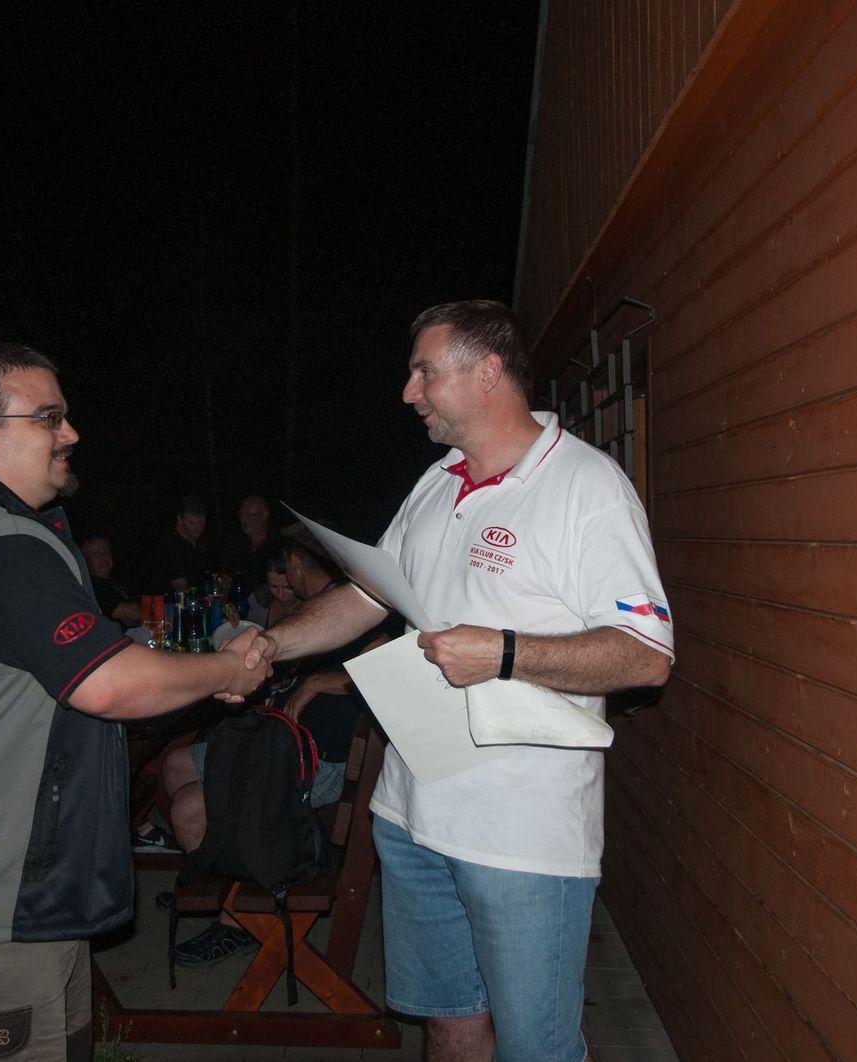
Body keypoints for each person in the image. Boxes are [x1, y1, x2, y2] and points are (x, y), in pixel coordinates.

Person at [247, 300, 673, 1062]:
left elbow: (646, 655)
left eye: (424, 372)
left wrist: (503, 652)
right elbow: (367, 596)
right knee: (448, 1029)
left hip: (522, 838)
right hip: (411, 816)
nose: (409, 392)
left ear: (487, 373)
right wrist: (269, 646)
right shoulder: (438, 482)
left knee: (536, 1049)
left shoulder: (587, 486)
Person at [0, 343, 269, 1060]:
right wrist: (226, 669)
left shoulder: (17, 533)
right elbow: (108, 682)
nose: (71, 433)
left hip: (25, 893)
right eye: (48, 417)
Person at [159, 536, 393, 965]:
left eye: (286, 574)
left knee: (189, 806)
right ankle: (219, 878)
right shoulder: (309, 609)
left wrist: (317, 682)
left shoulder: (351, 611)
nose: (283, 585)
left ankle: (238, 919)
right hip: (288, 747)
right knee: (177, 767)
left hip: (314, 762)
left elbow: (386, 659)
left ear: (298, 563)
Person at [149, 493, 211, 592]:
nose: (198, 528)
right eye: (192, 523)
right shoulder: (169, 545)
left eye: (201, 523)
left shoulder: (202, 540)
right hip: (169, 599)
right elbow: (180, 587)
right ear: (180, 519)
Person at [81, 534, 141, 626]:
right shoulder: (93, 587)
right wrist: (158, 609)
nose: (104, 557)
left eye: (106, 551)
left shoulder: (117, 582)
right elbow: (130, 613)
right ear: (84, 559)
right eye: (97, 553)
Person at [220, 493, 273, 592]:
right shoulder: (234, 541)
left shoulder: (275, 543)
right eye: (241, 515)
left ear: (264, 515)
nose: (244, 520)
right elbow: (226, 574)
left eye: (249, 515)